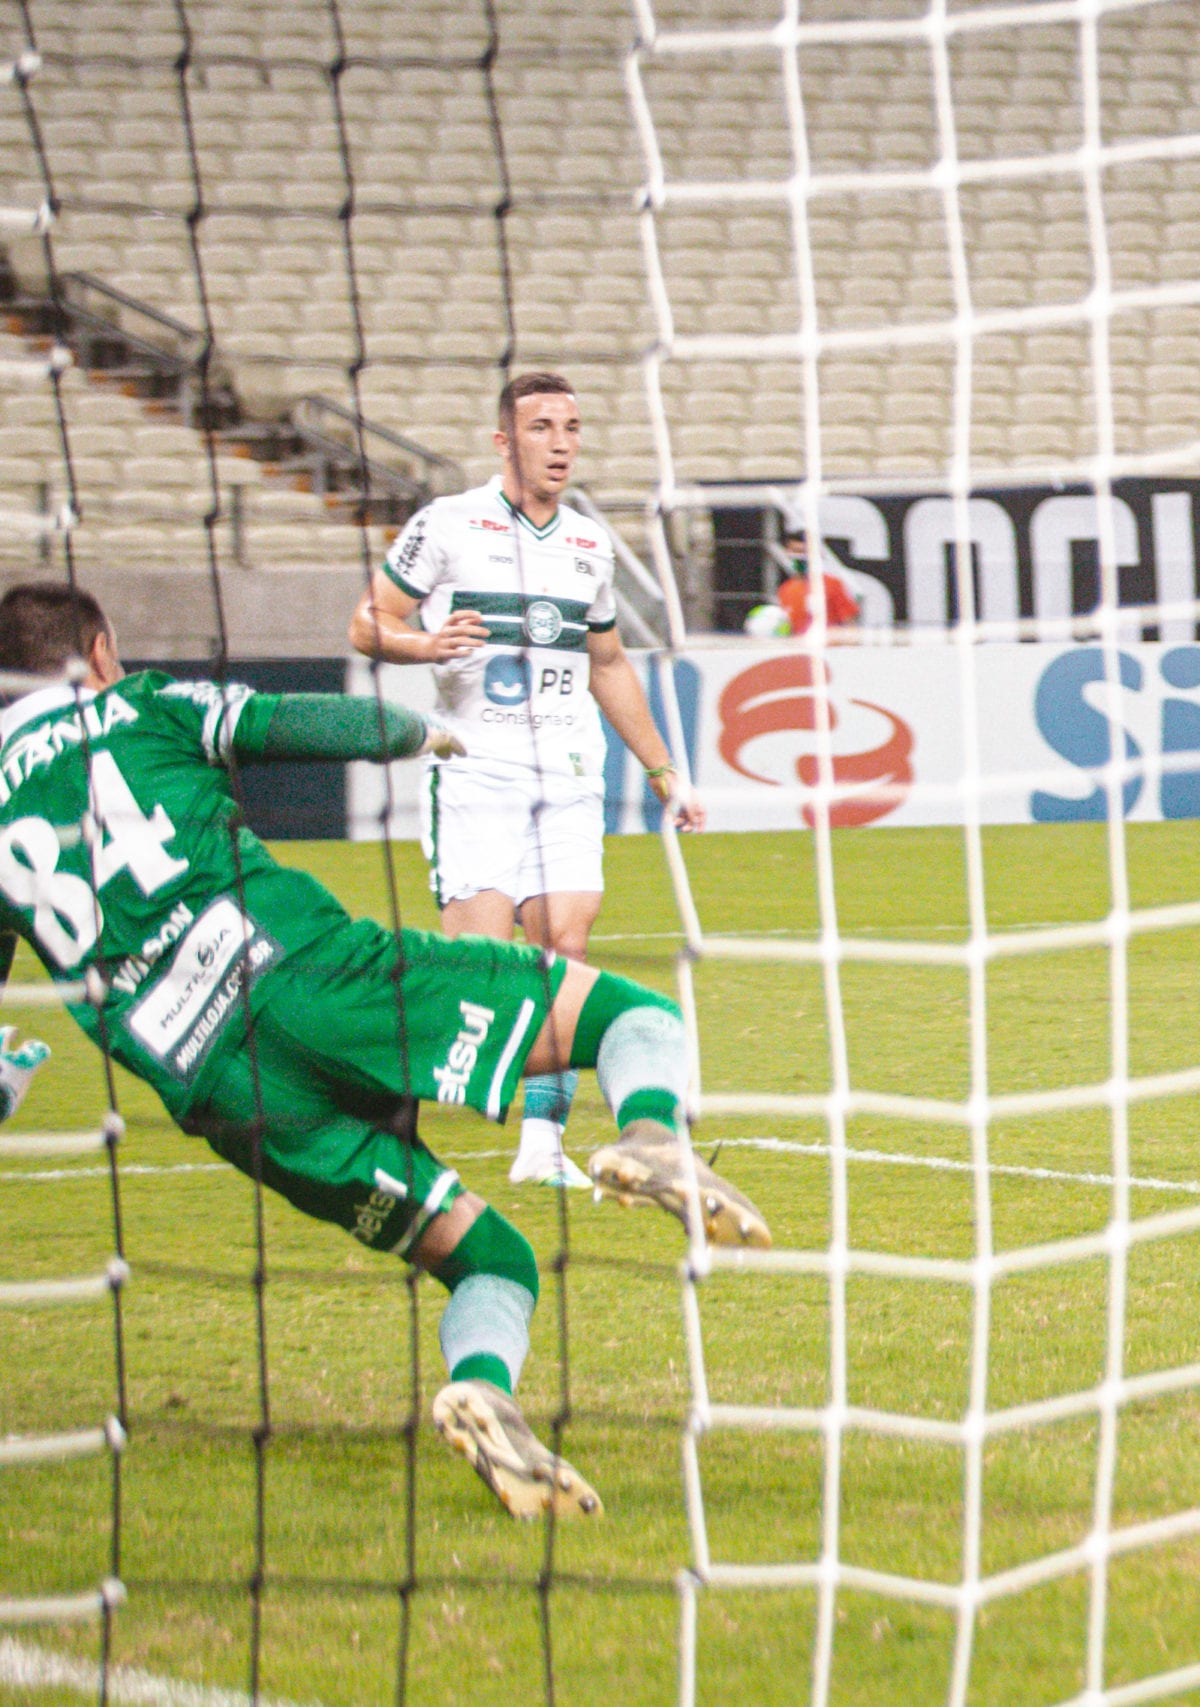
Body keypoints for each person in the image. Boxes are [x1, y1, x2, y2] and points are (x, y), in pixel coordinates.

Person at [0, 584, 765, 1520]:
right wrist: (421, 735)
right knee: (629, 1015)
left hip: (224, 1092)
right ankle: (651, 1133)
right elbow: (303, 723)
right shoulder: (140, 702)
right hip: (314, 982)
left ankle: (485, 1394)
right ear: (101, 648)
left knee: (490, 1259)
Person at [351, 373, 706, 1192]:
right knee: (473, 968)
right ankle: (377, 1113)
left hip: (571, 774)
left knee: (567, 948)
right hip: (474, 773)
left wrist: (663, 773)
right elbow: (368, 621)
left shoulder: (588, 544)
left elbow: (608, 662)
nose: (561, 442)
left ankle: (541, 1145)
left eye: (572, 427)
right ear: (503, 440)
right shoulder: (448, 525)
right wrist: (423, 646)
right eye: (542, 426)